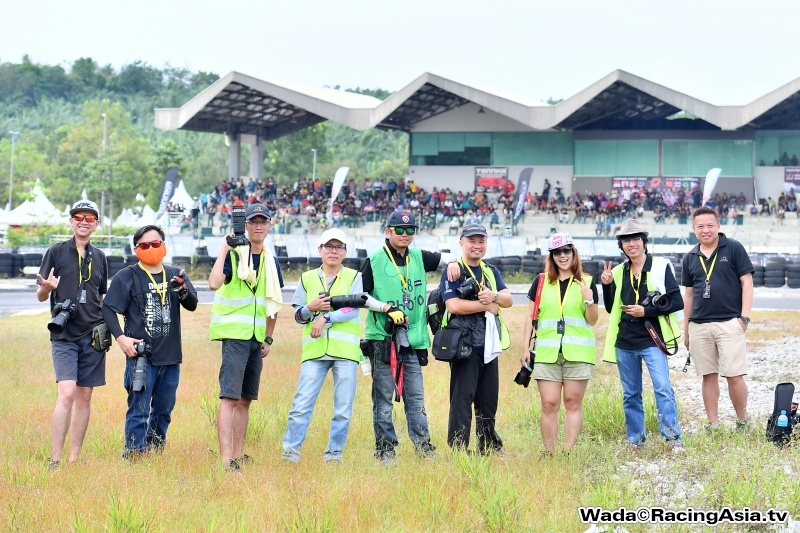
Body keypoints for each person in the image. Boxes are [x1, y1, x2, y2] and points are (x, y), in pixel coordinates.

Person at [282, 229, 399, 463]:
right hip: (315, 352)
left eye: (338, 247)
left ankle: (334, 456)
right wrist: (311, 308)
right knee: (301, 405)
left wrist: (326, 317)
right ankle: (290, 454)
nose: (333, 251)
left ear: (345, 251)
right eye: (329, 246)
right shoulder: (306, 278)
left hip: (345, 353)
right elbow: (298, 315)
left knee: (343, 410)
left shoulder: (354, 276)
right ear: (320, 250)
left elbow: (354, 308)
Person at [359, 210, 460, 463]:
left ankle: (423, 447)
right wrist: (385, 308)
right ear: (388, 231)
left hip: (411, 341)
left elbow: (449, 257)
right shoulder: (373, 260)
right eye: (399, 230)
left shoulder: (419, 257)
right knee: (383, 399)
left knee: (416, 398)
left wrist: (454, 262)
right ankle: (385, 450)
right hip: (382, 339)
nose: (405, 234)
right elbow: (361, 296)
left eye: (410, 230)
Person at [102, 225, 198, 458]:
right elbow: (107, 308)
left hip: (171, 356)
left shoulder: (176, 274)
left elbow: (193, 304)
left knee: (164, 410)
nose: (151, 249)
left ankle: (155, 451)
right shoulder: (127, 276)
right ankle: (134, 452)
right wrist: (122, 339)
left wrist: (182, 289)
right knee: (139, 408)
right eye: (144, 245)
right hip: (141, 357)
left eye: (155, 244)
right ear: (137, 250)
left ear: (164, 246)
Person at [208, 203, 284, 469]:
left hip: (256, 339)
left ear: (270, 225)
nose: (258, 226)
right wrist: (223, 249)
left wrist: (269, 338)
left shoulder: (271, 262)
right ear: (246, 225)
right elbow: (214, 283)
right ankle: (226, 459)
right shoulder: (233, 255)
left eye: (263, 221)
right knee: (229, 398)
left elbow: (273, 302)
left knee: (245, 400)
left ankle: (239, 455)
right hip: (235, 336)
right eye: (253, 222)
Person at [600, 219, 684, 450]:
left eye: (635, 238)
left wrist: (646, 311)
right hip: (624, 342)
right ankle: (635, 440)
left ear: (644, 242)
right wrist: (606, 285)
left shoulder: (660, 265)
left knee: (663, 388)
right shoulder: (617, 271)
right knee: (630, 394)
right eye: (626, 240)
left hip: (652, 340)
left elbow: (677, 301)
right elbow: (610, 307)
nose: (631, 243)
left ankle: (673, 438)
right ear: (622, 246)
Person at [37, 200, 109, 468]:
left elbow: (101, 297)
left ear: (96, 224)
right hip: (64, 333)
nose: (83, 221)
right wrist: (46, 288)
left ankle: (73, 459)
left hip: (93, 334)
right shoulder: (56, 251)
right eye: (78, 216)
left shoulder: (100, 257)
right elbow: (41, 294)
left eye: (89, 218)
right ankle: (55, 459)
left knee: (85, 395)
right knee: (66, 393)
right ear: (71, 221)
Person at [520, 233, 598, 454]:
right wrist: (525, 347)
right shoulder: (541, 281)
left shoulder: (588, 281)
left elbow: (592, 320)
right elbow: (529, 316)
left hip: (578, 353)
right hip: (547, 353)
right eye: (557, 252)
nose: (562, 256)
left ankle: (567, 452)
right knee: (549, 403)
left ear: (574, 252)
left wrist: (588, 298)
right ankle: (550, 452)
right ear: (551, 256)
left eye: (566, 251)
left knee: (573, 402)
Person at [440, 224, 512, 454]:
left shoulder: (491, 270)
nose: (477, 245)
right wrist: (487, 306)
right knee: (462, 398)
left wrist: (495, 296)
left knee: (488, 397)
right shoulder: (453, 270)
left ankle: (489, 444)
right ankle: (459, 447)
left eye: (481, 241)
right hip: (464, 343)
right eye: (471, 240)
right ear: (461, 243)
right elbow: (453, 305)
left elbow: (508, 300)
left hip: (489, 343)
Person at [682, 206, 754, 431]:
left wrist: (744, 318)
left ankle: (742, 421)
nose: (705, 230)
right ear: (694, 229)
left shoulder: (733, 248)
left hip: (729, 323)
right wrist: (686, 330)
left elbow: (747, 282)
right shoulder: (690, 257)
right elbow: (690, 295)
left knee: (734, 375)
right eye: (700, 226)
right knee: (708, 376)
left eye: (710, 225)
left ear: (718, 226)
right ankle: (712, 423)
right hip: (699, 325)